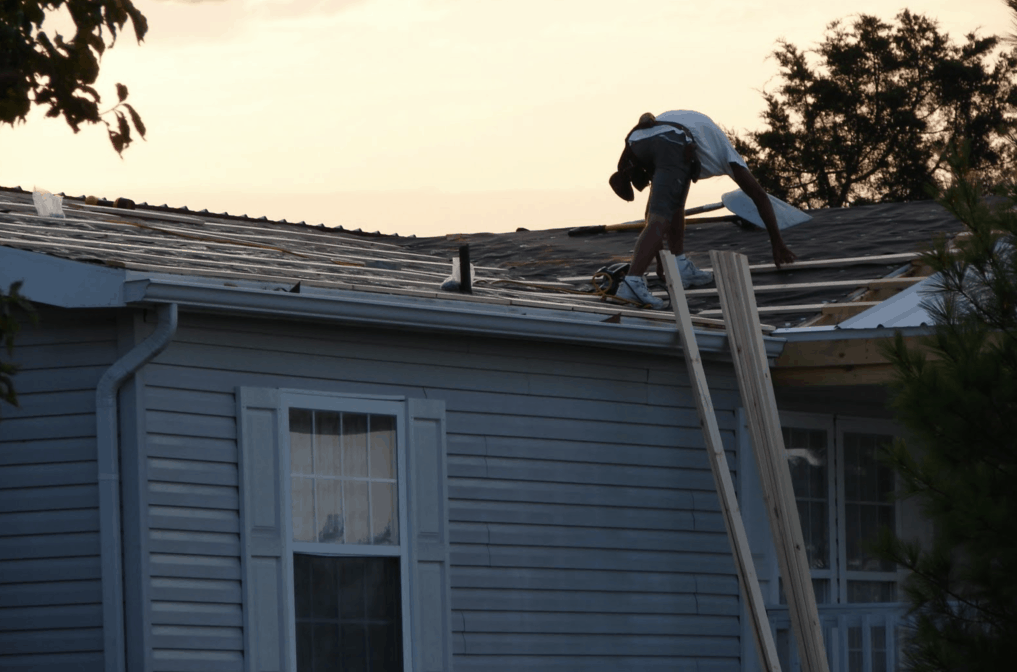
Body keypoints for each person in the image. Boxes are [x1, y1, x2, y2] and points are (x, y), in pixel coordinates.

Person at [610, 110, 797, 309]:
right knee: (661, 216)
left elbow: (654, 212)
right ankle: (633, 282)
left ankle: (679, 265)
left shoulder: (699, 143)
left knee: (672, 203)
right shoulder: (729, 157)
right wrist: (777, 242)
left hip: (638, 139)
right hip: (672, 139)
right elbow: (759, 196)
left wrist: (664, 262)